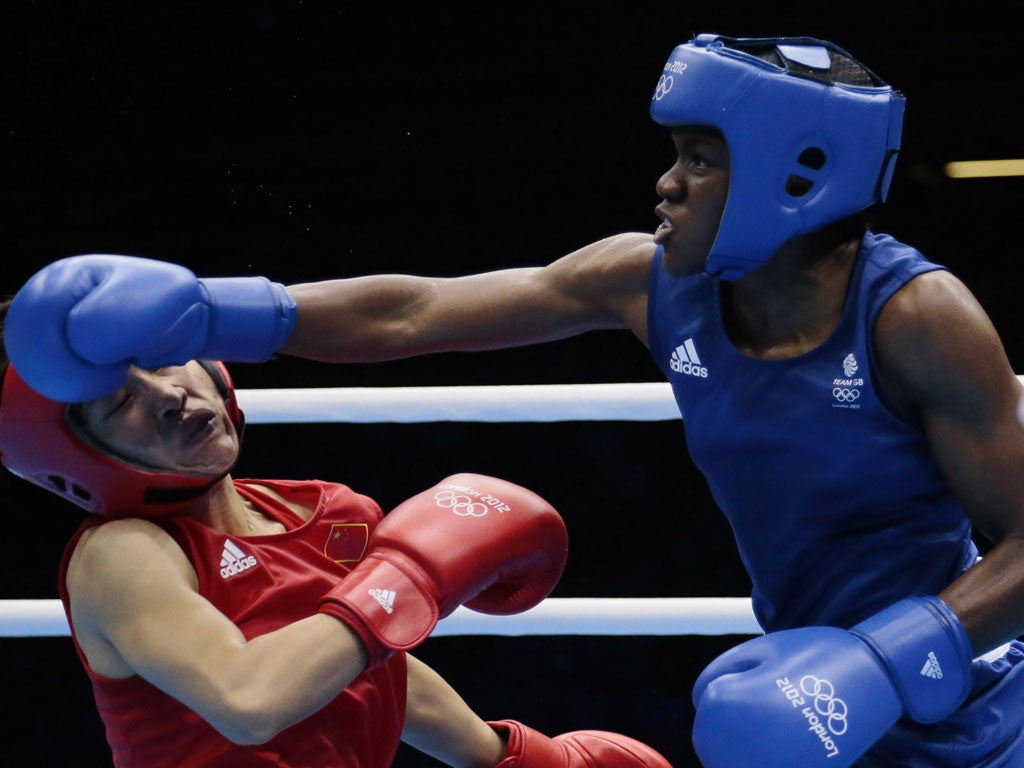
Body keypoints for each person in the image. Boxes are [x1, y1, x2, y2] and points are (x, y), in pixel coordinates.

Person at [5, 31, 1024, 768]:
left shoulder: (915, 318)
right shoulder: (648, 280)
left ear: (791, 174)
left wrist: (889, 658)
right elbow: (416, 313)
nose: (665, 184)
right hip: (808, 669)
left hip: (962, 683)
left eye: (699, 158)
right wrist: (214, 312)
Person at [0, 327, 675, 768]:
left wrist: (502, 754)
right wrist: (405, 578)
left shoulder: (328, 512)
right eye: (120, 402)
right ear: (76, 450)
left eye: (160, 359)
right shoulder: (123, 554)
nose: (172, 394)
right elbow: (248, 700)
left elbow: (365, 665)